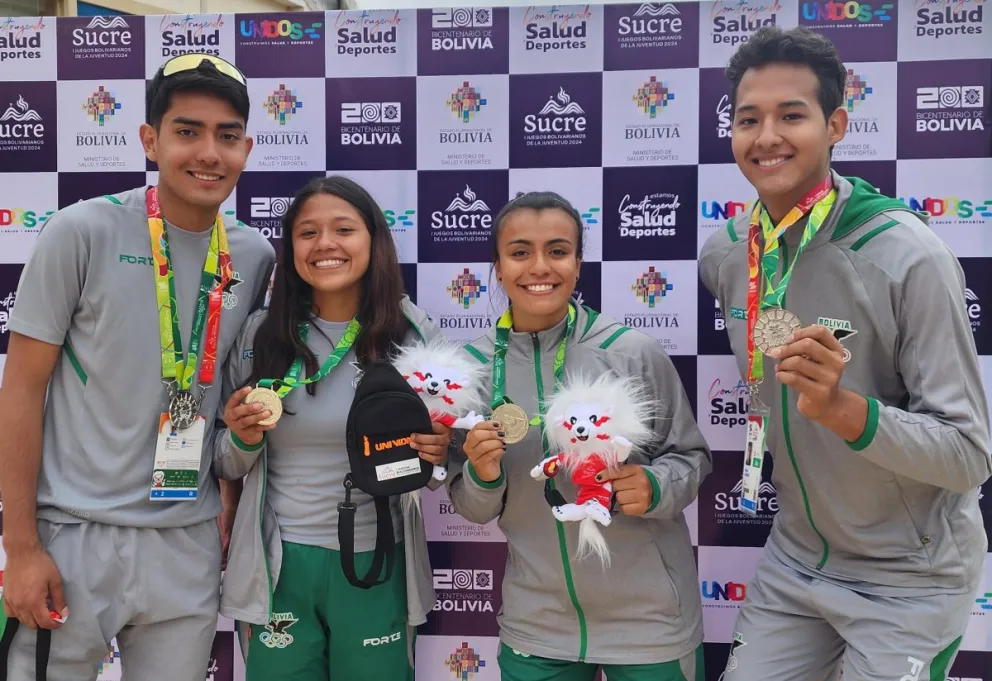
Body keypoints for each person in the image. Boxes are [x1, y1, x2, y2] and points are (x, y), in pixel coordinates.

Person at [699, 26, 991, 681]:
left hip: (908, 577)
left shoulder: (909, 257)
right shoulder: (727, 253)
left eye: (791, 115)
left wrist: (843, 409)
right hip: (797, 558)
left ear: (835, 124)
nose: (767, 135)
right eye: (750, 119)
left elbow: (970, 451)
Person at [0, 54, 275, 680]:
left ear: (246, 148)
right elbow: (20, 390)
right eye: (187, 131)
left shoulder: (253, 254)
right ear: (150, 139)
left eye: (227, 136)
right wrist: (20, 547)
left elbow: (225, 390)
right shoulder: (81, 231)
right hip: (73, 536)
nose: (209, 152)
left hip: (188, 538)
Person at [448, 191, 712, 681]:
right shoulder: (472, 370)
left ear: (578, 263)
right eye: (520, 252)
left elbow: (691, 458)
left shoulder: (631, 351)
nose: (539, 267)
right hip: (537, 625)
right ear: (498, 266)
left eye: (558, 250)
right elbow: (473, 507)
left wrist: (654, 487)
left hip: (649, 624)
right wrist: (483, 477)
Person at [213, 175, 451, 681]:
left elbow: (440, 466)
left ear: (373, 240)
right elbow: (225, 461)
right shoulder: (261, 333)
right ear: (291, 248)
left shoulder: (412, 333)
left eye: (344, 229)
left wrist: (438, 452)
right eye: (307, 232)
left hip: (376, 557)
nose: (326, 244)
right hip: (278, 565)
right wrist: (241, 437)